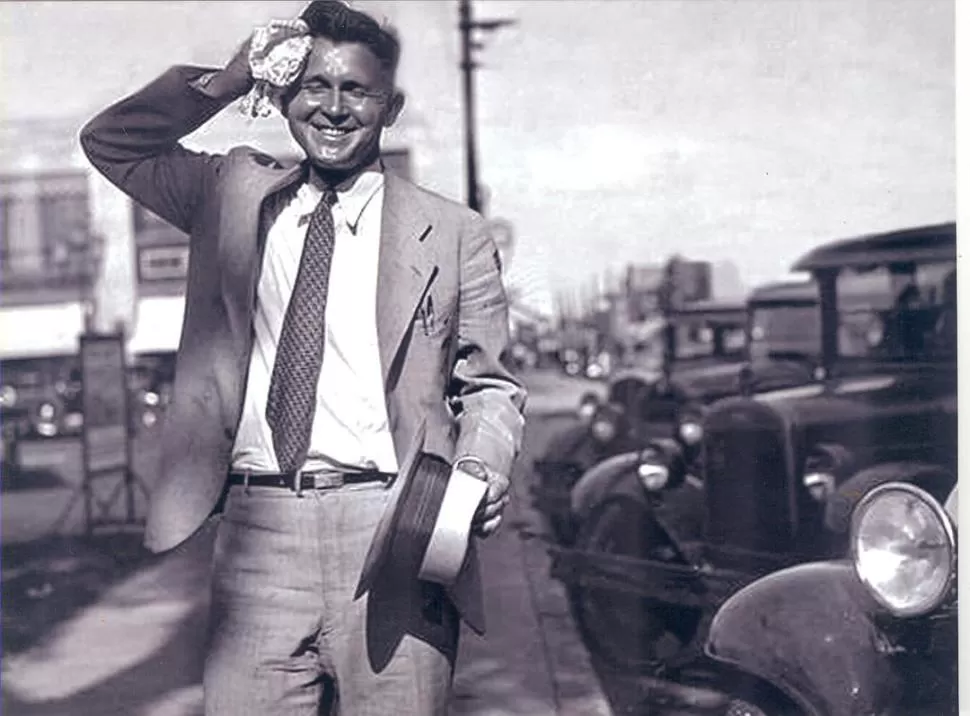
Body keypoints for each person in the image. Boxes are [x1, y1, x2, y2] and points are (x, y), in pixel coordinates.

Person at [80, 2, 526, 714]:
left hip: (394, 531)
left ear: (391, 105)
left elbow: (490, 384)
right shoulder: (228, 193)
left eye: (358, 91)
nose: (333, 108)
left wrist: (481, 464)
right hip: (258, 535)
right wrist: (228, 80)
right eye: (314, 85)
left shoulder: (452, 232)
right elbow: (113, 143)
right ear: (284, 93)